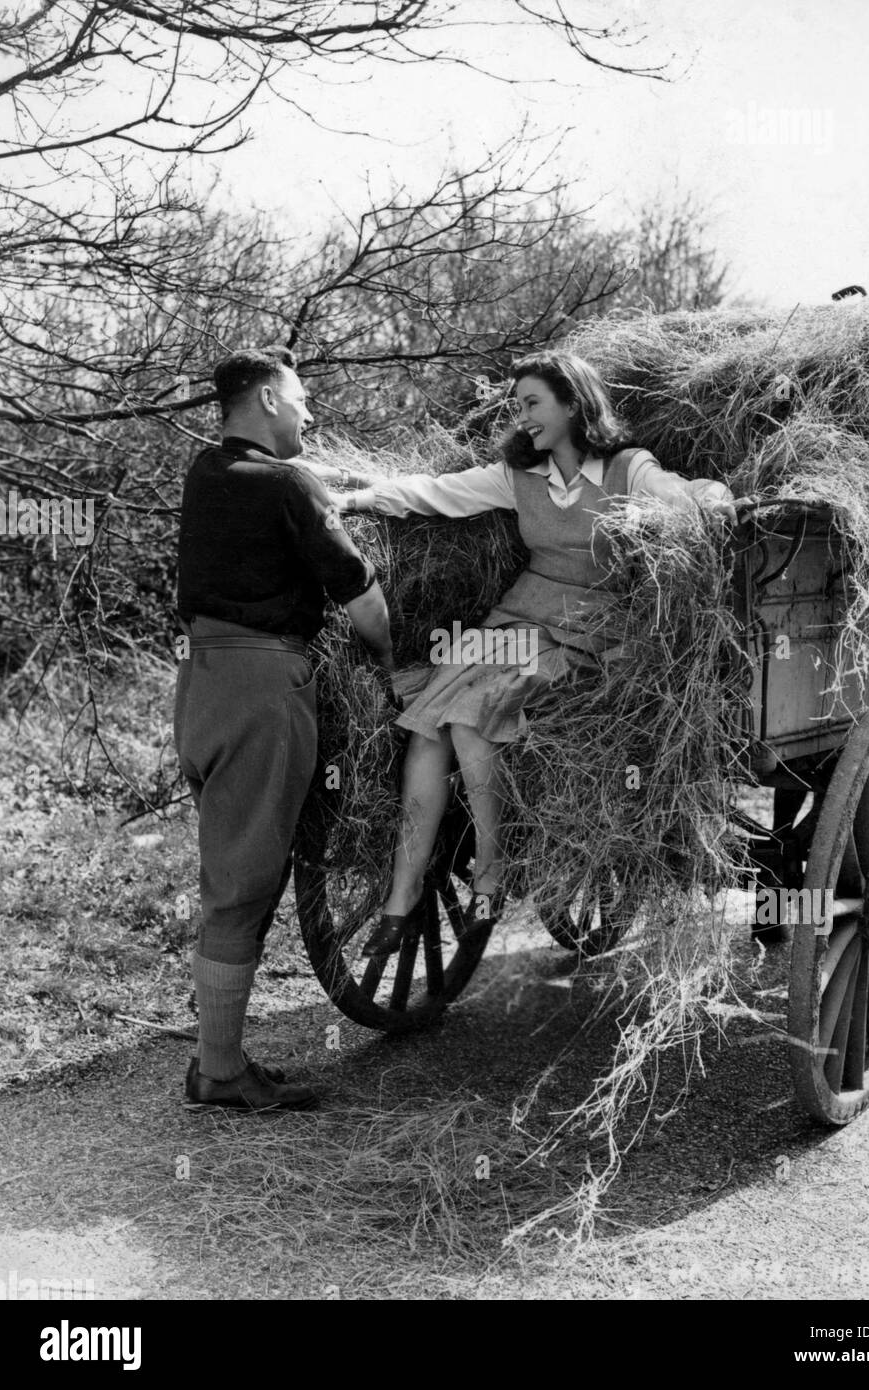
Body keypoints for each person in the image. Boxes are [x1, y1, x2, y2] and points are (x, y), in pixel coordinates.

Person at [329, 350, 735, 955]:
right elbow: (437, 494)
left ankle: (492, 869)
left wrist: (716, 496)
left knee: (469, 721)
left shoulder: (628, 469)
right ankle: (400, 897)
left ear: (574, 403)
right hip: (517, 619)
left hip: (589, 627)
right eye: (517, 407)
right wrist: (356, 502)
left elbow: (686, 496)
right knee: (427, 732)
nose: (522, 419)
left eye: (533, 404)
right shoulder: (520, 476)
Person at [174, 344, 393, 1110]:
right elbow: (358, 594)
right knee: (241, 885)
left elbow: (279, 498)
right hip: (264, 689)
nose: (309, 410)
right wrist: (396, 664)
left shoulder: (207, 473)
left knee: (233, 874)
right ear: (267, 399)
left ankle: (220, 1061)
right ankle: (221, 1073)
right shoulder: (286, 484)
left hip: (201, 684)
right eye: (299, 397)